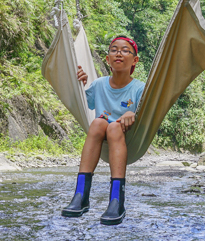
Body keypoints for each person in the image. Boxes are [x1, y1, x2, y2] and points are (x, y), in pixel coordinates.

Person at [61, 35, 145, 225]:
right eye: (114, 50)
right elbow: (84, 102)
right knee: (98, 123)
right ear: (107, 59)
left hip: (127, 137)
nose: (119, 53)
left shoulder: (140, 89)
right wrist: (80, 82)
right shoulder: (98, 85)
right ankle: (80, 196)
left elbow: (145, 114)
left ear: (135, 60)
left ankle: (117, 201)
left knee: (114, 127)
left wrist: (133, 114)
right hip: (101, 134)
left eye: (125, 50)